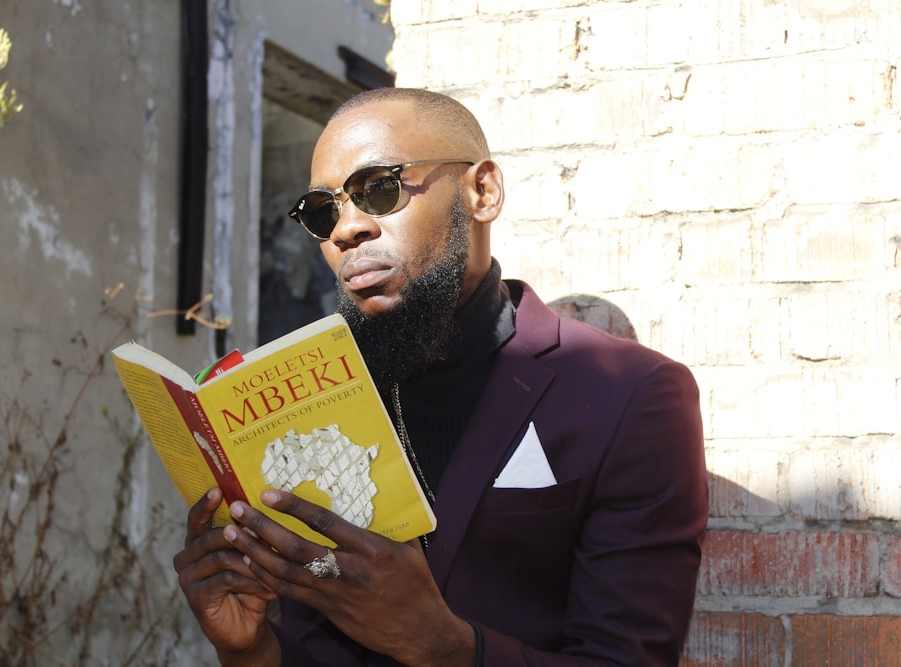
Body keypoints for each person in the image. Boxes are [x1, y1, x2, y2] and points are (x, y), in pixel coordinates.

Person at [173, 87, 708, 666]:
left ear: (482, 191)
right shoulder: (322, 400)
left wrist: (440, 645)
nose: (345, 230)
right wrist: (252, 649)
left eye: (378, 189)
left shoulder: (629, 395)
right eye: (324, 212)